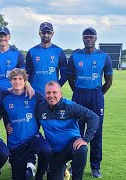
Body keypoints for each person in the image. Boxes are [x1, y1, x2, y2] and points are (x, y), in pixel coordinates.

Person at [67, 27, 113, 178]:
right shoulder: (74, 57)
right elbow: (70, 79)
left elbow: (109, 81)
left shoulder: (104, 57)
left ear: (95, 38)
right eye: (86, 36)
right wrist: (79, 92)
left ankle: (95, 166)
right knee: (76, 131)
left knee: (96, 132)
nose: (88, 39)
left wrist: (98, 94)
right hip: (79, 94)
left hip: (96, 96)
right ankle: (75, 165)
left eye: (91, 37)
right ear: (82, 38)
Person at [36, 81, 99, 180]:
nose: (51, 95)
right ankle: (62, 168)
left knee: (81, 149)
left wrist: (85, 139)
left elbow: (93, 117)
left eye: (54, 92)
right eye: (48, 93)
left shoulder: (70, 106)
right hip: (55, 151)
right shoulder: (40, 108)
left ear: (60, 94)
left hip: (71, 146)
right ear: (45, 94)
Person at [1, 68, 51, 180]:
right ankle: (28, 170)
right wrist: (8, 123)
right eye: (14, 79)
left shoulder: (34, 95)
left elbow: (50, 103)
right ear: (10, 81)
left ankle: (39, 176)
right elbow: (1, 113)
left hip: (33, 137)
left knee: (46, 150)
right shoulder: (5, 98)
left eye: (20, 79)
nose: (17, 81)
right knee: (21, 176)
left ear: (25, 81)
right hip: (16, 143)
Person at [26, 22, 68, 93]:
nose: (46, 35)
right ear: (39, 33)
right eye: (43, 32)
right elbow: (27, 74)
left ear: (52, 34)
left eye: (48, 32)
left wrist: (57, 87)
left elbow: (65, 74)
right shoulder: (32, 52)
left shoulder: (59, 52)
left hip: (52, 94)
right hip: (35, 93)